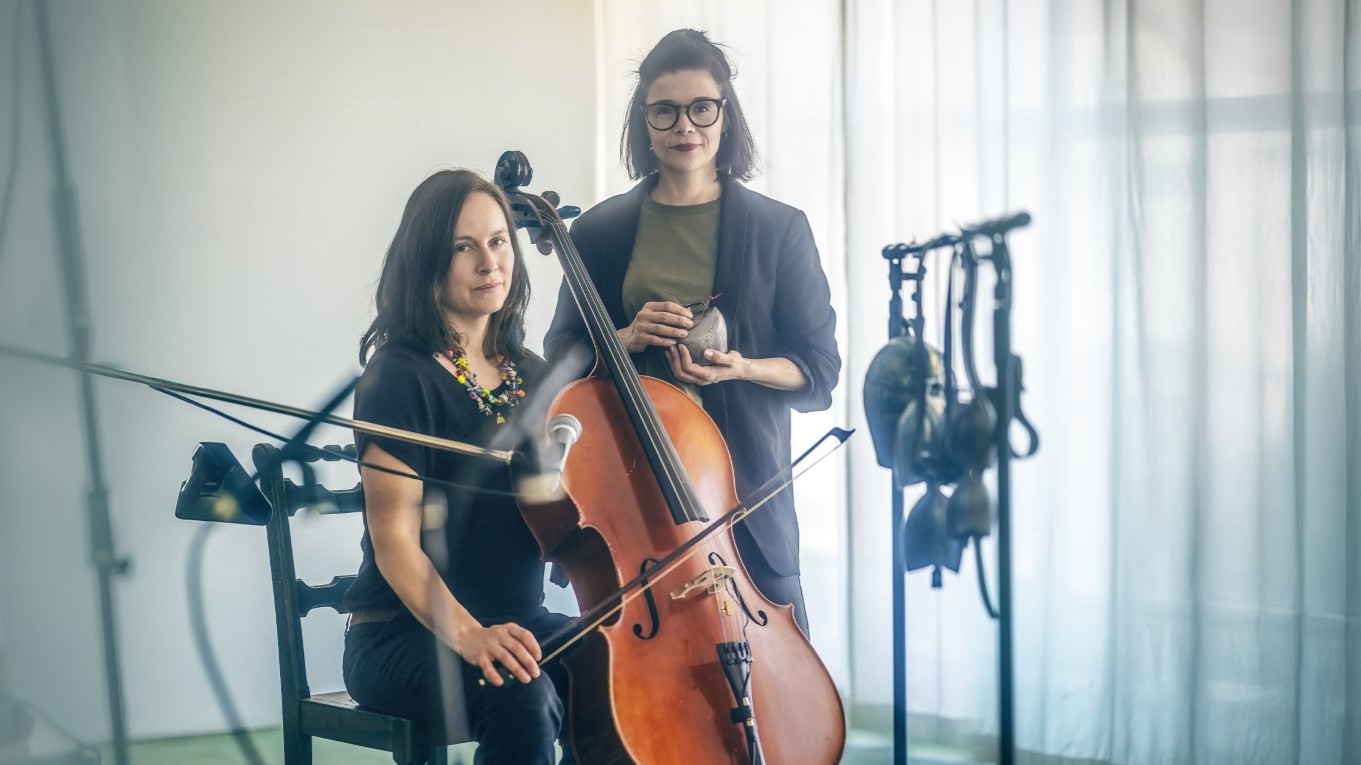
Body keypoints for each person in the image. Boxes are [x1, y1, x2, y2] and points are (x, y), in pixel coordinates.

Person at [544, 29, 840, 636]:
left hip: (746, 491)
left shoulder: (779, 229)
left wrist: (744, 367)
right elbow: (558, 358)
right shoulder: (600, 231)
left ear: (726, 116)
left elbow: (818, 368)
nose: (686, 126)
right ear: (643, 123)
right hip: (631, 489)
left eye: (702, 107)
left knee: (781, 678)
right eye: (665, 111)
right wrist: (622, 338)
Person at [342, 169, 574, 764]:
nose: (488, 263)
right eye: (463, 247)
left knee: (616, 666)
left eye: (499, 242)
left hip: (518, 621)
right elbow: (394, 543)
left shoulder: (534, 373)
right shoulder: (399, 375)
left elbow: (560, 506)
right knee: (520, 693)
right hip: (401, 634)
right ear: (427, 262)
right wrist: (472, 637)